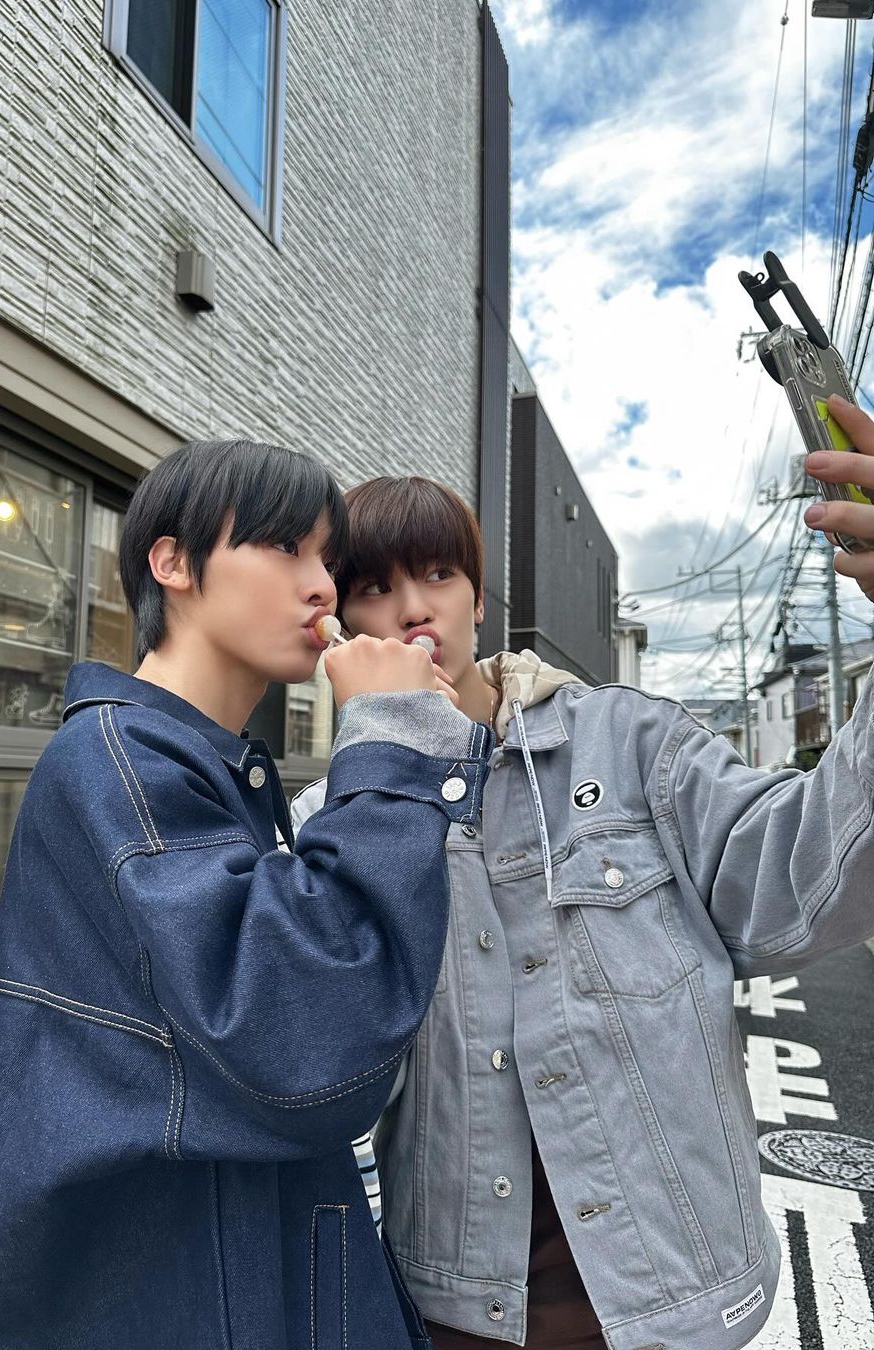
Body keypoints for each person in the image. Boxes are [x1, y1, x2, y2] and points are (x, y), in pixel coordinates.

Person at [292, 391, 874, 1350]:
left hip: (675, 1294)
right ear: (344, 624)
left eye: (438, 573)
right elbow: (318, 1060)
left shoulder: (629, 744)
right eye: (374, 588)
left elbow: (799, 881)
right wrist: (384, 760)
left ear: (479, 600)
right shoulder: (337, 821)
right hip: (455, 1307)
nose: (412, 608)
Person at [0, 438, 494, 1350]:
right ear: (172, 563)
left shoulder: (201, 768)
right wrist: (392, 738)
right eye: (286, 548)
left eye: (327, 560)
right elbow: (315, 1040)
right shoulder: (120, 767)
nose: (321, 588)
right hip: (167, 1302)